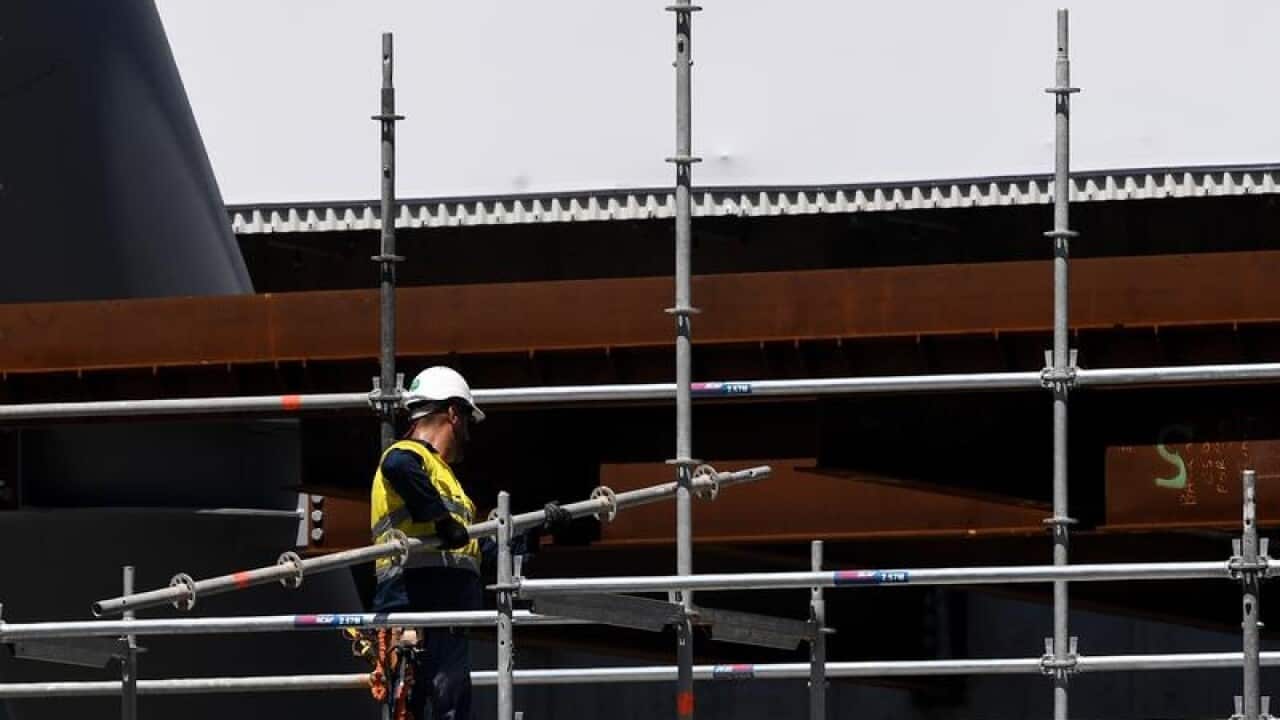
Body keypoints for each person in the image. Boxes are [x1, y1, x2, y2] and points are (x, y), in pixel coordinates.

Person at [369, 365, 570, 720]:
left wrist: (536, 529)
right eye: (466, 422)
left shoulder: (448, 481)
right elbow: (398, 467)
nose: (468, 436)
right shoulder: (404, 454)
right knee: (409, 711)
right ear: (453, 413)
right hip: (411, 611)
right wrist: (442, 521)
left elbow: (474, 551)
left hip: (450, 619)